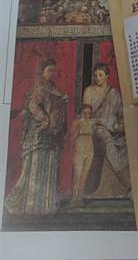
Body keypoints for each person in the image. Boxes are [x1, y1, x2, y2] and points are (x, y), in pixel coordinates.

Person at [4, 58, 68, 214]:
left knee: (48, 165)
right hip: (39, 133)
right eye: (49, 70)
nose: (51, 74)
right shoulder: (39, 87)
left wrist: (62, 100)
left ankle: (45, 206)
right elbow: (33, 106)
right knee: (36, 166)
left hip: (51, 134)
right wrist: (45, 119)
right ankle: (31, 206)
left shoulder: (52, 87)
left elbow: (55, 103)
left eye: (53, 70)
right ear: (41, 71)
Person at [82, 63, 130, 194]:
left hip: (114, 129)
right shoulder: (89, 91)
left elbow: (121, 115)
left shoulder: (114, 93)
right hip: (97, 128)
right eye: (95, 75)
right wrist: (103, 123)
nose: (97, 78)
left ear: (107, 76)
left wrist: (119, 125)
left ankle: (123, 185)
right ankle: (126, 182)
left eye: (100, 75)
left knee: (128, 142)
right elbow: (86, 115)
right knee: (108, 142)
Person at [70, 104, 97, 206]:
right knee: (77, 173)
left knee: (84, 174)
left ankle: (80, 198)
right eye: (84, 113)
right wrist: (79, 127)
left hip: (89, 146)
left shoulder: (92, 122)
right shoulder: (77, 122)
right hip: (80, 145)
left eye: (89, 113)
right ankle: (74, 199)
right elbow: (72, 136)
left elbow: (94, 134)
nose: (86, 115)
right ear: (80, 113)